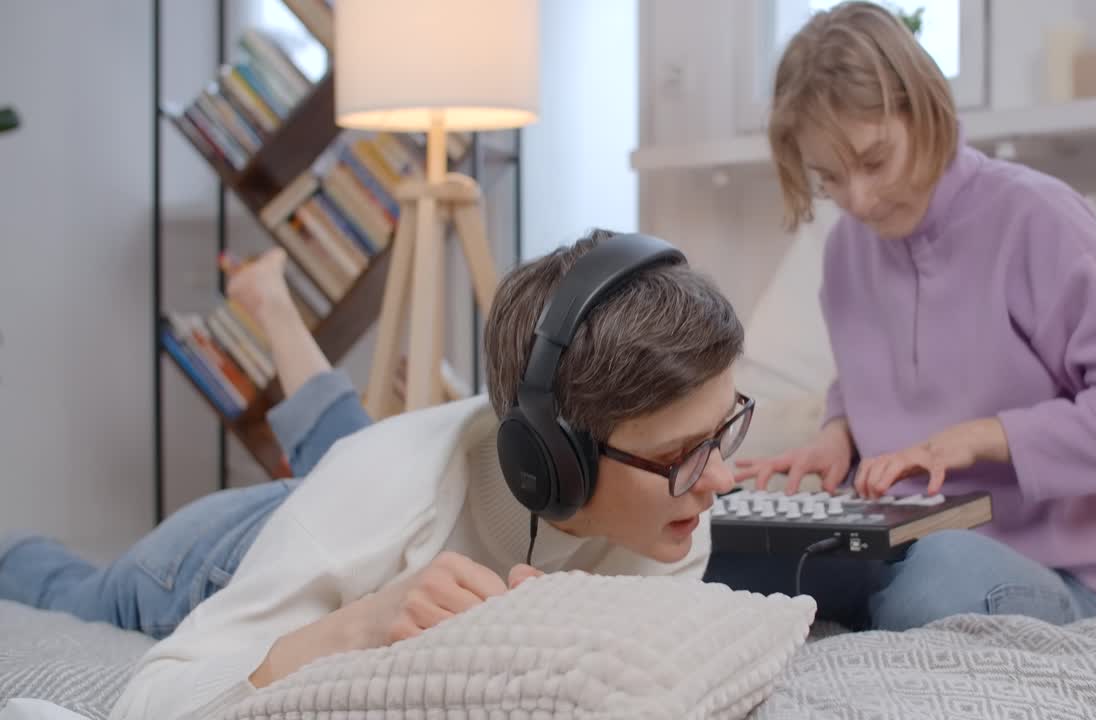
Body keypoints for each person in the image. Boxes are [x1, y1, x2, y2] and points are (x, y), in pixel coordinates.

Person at [0, 230, 750, 720]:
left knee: (357, 446)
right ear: (550, 463)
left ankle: (274, 307)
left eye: (724, 429)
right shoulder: (382, 496)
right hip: (210, 561)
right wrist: (358, 626)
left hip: (388, 490)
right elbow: (149, 701)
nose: (720, 477)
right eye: (682, 455)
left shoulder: (678, 498)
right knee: (70, 589)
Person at [723, 2, 1096, 631]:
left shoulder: (1037, 217)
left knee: (929, 587)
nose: (858, 200)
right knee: (725, 559)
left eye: (873, 160)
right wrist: (839, 434)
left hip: (1037, 565)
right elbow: (868, 378)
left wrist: (980, 436)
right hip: (890, 539)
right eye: (830, 177)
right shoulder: (844, 249)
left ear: (922, 110)